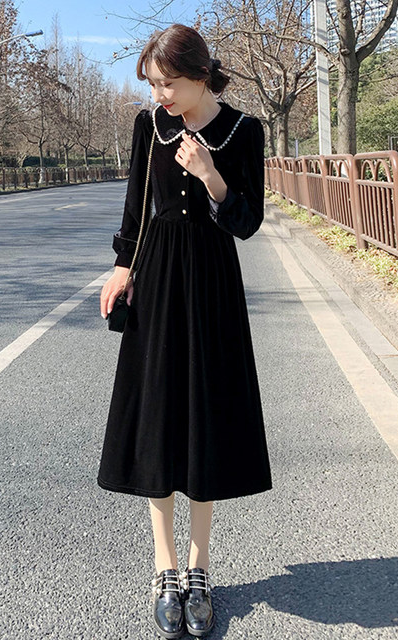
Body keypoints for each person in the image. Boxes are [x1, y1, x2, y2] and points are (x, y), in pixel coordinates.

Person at [98, 22, 272, 639]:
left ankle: (199, 569)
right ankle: (164, 568)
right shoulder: (149, 126)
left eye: (167, 84)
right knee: (159, 418)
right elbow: (135, 206)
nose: (159, 96)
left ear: (200, 76)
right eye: (153, 85)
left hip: (213, 284)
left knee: (205, 419)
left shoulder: (244, 131)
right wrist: (122, 268)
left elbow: (246, 222)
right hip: (158, 280)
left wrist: (210, 174)